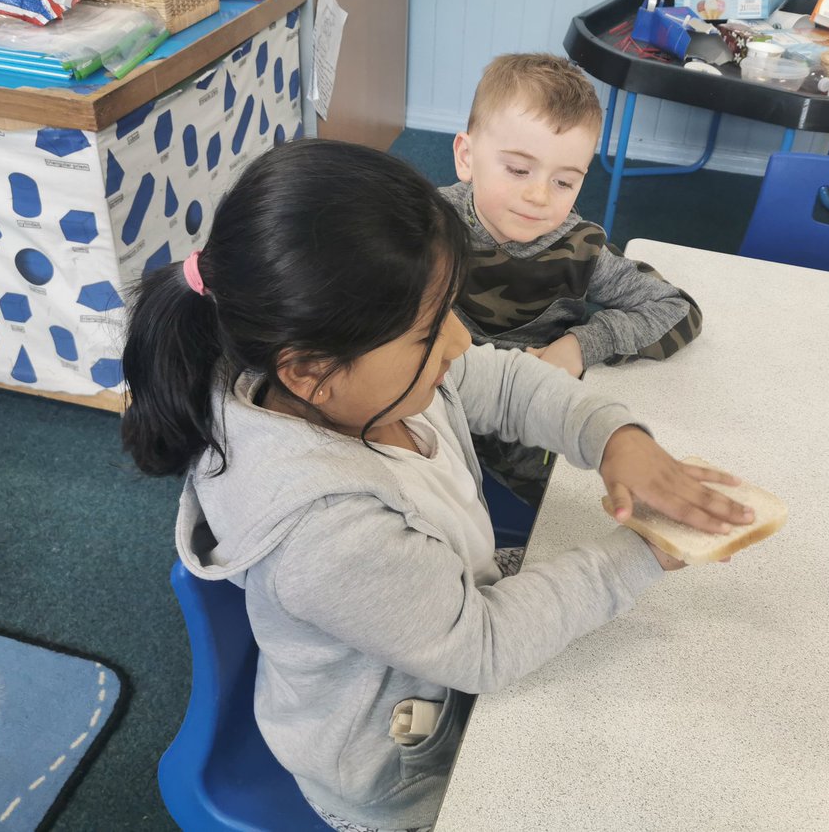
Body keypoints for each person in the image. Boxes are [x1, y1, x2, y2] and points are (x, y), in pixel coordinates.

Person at [121, 138, 751, 832]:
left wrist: (613, 437)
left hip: (436, 634)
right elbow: (481, 646)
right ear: (309, 372)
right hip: (390, 775)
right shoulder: (326, 536)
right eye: (429, 330)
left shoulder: (357, 381)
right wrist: (639, 552)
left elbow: (506, 381)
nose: (458, 342)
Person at [440, 52, 704, 506]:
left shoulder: (582, 248)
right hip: (433, 421)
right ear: (467, 156)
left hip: (530, 442)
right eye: (519, 170)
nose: (539, 195)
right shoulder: (422, 223)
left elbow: (677, 310)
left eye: (565, 182)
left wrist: (580, 346)